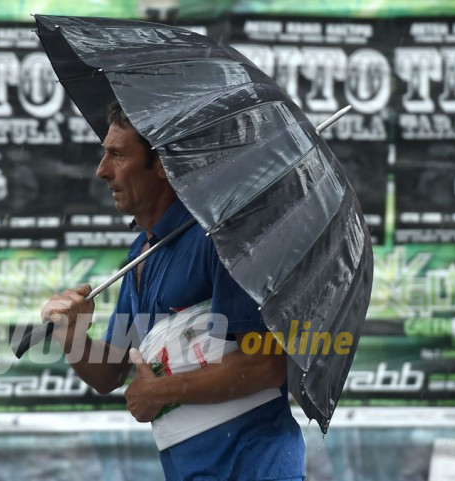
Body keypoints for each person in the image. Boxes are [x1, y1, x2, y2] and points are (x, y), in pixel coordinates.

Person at [41, 102, 305, 481]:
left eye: (117, 155)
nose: (102, 171)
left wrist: (164, 392)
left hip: (254, 468)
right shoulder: (140, 254)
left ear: (163, 164)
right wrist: (72, 336)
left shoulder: (219, 240)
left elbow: (267, 364)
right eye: (104, 154)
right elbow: (111, 372)